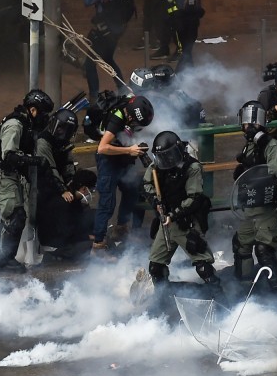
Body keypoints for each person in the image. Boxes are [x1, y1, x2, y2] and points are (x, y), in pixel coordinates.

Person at [0, 89, 54, 273]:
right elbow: (10, 157)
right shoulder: (15, 124)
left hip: (10, 174)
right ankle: (5, 262)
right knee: (16, 216)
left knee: (13, 214)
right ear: (33, 110)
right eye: (43, 113)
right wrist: (37, 161)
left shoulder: (26, 124)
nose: (44, 118)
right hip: (1, 174)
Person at [143, 131, 219, 287]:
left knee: (203, 267)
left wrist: (174, 214)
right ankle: (163, 299)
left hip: (186, 221)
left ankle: (221, 301)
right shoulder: (158, 165)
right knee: (155, 267)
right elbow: (146, 184)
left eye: (168, 155)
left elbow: (194, 198)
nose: (165, 160)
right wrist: (155, 201)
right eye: (162, 156)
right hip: (165, 223)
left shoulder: (192, 167)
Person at [231, 101, 277, 291]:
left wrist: (253, 177)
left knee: (264, 250)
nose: (248, 126)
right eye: (246, 122)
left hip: (266, 207)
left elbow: (275, 175)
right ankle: (245, 288)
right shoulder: (249, 146)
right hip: (250, 205)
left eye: (252, 122)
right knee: (240, 244)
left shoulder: (272, 146)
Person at [91, 95, 153, 256]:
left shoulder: (129, 104)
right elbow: (102, 148)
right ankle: (98, 245)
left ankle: (121, 229)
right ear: (130, 116)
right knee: (107, 202)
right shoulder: (117, 118)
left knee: (132, 190)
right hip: (108, 161)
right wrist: (129, 150)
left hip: (122, 158)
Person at [35, 110, 94, 260]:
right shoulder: (43, 141)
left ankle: (78, 236)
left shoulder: (65, 143)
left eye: (67, 130)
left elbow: (68, 165)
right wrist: (63, 190)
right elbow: (49, 168)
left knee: (75, 204)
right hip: (40, 185)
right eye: (61, 127)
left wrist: (73, 186)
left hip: (55, 183)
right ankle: (56, 245)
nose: (63, 132)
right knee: (58, 207)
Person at [82, 0, 130, 98]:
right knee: (108, 58)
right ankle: (122, 89)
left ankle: (94, 98)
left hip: (103, 30)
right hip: (117, 30)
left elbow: (88, 1)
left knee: (90, 63)